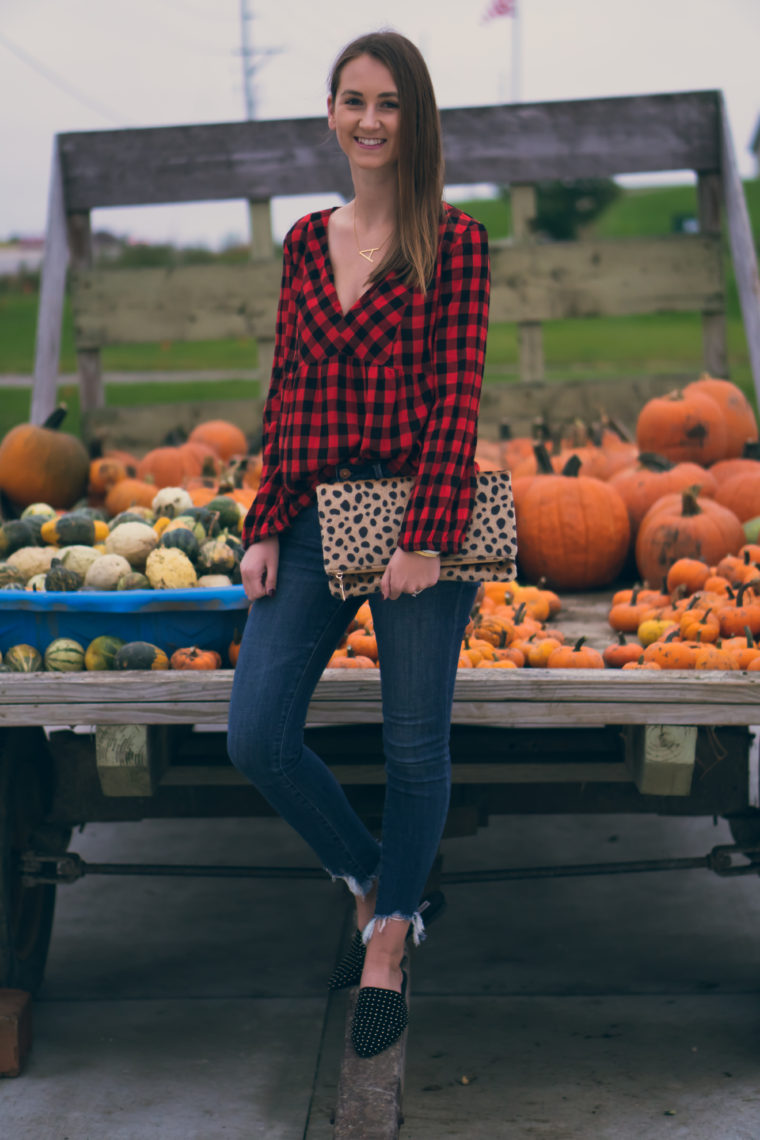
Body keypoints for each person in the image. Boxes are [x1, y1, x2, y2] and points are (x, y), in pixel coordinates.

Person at [227, 29, 490, 1059]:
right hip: (306, 515)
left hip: (418, 521)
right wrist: (262, 522)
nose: (370, 119)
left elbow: (455, 400)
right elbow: (289, 390)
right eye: (352, 100)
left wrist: (426, 535)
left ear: (413, 117)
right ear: (329, 115)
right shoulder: (303, 242)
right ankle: (380, 879)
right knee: (257, 736)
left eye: (388, 102)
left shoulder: (451, 243)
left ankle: (387, 940)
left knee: (413, 743)